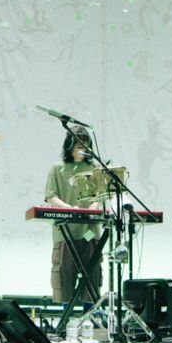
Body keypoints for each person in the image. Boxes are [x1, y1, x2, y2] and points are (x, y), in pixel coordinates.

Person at [42, 129, 105, 308]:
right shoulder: (57, 168)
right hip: (66, 231)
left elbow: (101, 195)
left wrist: (95, 205)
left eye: (86, 146)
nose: (83, 149)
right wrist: (69, 209)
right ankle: (66, 317)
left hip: (90, 232)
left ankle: (91, 316)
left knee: (92, 273)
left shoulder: (95, 169)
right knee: (65, 274)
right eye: (79, 146)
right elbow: (50, 196)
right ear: (69, 147)